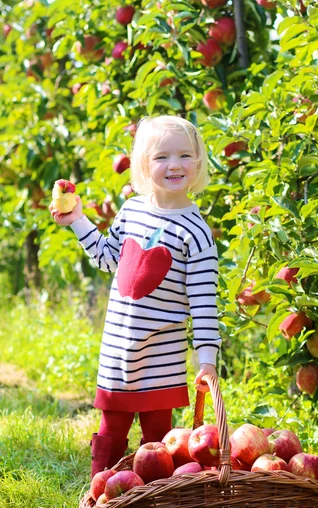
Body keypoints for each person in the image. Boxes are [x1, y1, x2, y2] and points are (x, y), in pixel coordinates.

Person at [50, 115, 221, 477]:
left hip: (162, 359)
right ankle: (102, 493)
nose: (174, 165)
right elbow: (107, 257)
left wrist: (206, 359)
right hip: (117, 354)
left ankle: (155, 502)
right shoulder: (132, 210)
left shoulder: (197, 233)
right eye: (161, 157)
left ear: (199, 162)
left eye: (184, 156)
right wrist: (78, 219)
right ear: (144, 165)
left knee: (159, 440)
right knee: (111, 431)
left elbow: (205, 303)